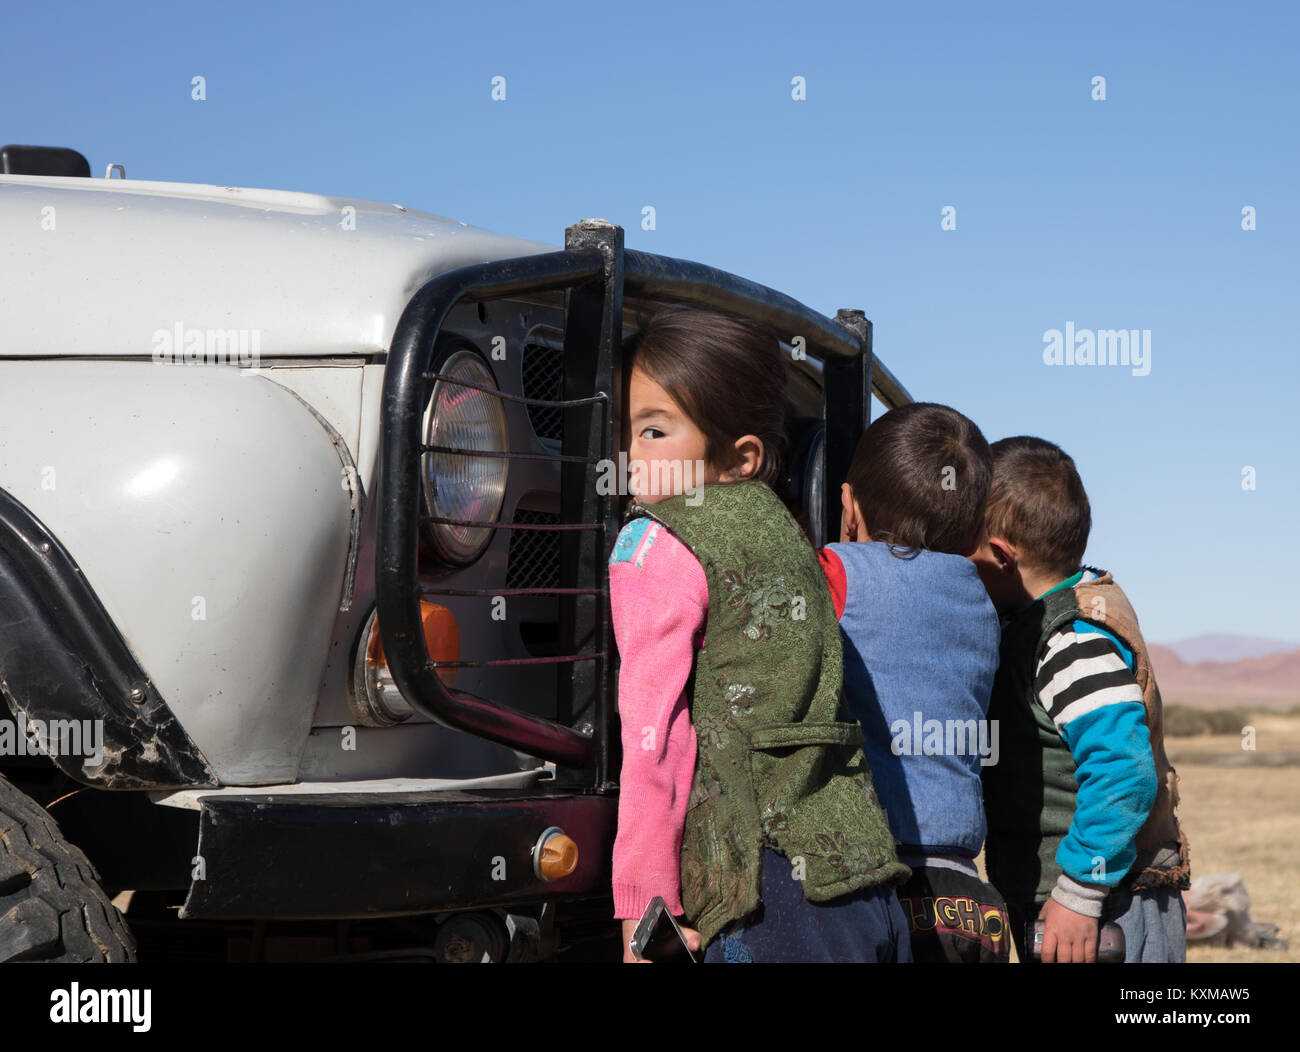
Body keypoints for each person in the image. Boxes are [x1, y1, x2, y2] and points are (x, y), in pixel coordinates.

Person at [609, 306, 911, 963]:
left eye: (655, 432)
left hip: (762, 896)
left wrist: (643, 909)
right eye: (625, 433)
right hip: (863, 878)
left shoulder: (654, 542)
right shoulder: (787, 531)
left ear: (741, 457)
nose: (630, 458)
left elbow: (653, 737)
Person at [972, 436, 1190, 963]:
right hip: (1086, 904)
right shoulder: (1037, 626)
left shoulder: (1069, 641)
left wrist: (1077, 893)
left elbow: (1123, 769)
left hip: (1109, 906)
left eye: (964, 546)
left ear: (1001, 557)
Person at [818, 403, 1011, 962]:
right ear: (977, 532)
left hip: (875, 878)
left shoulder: (836, 572)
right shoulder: (980, 599)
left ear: (848, 507)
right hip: (965, 891)